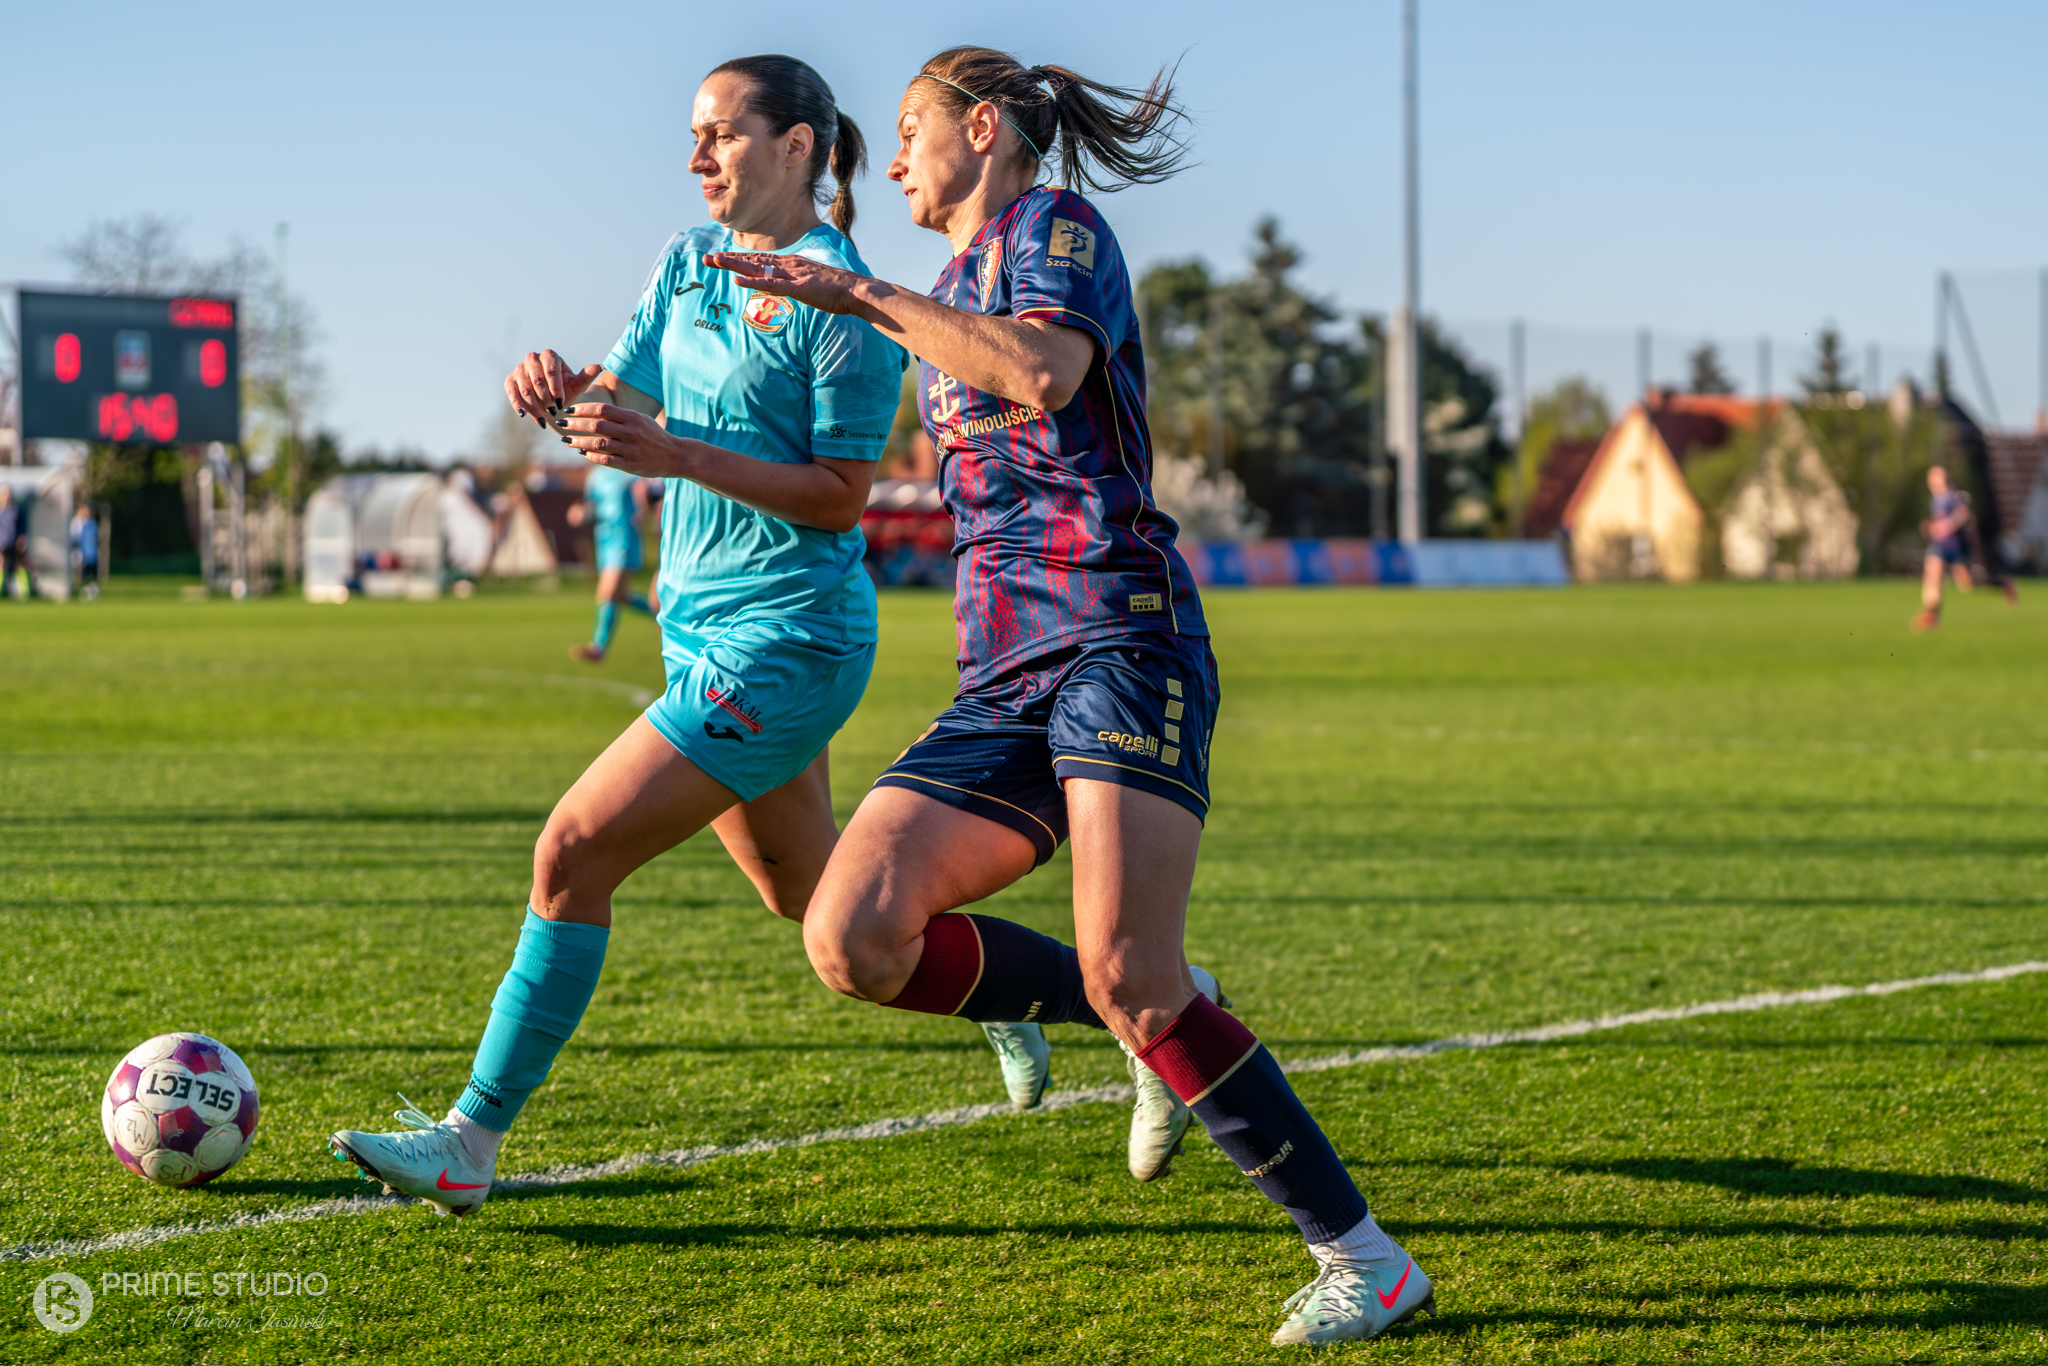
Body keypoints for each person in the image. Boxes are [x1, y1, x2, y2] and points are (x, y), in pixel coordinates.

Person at [710, 46, 1434, 1348]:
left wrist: (856, 290)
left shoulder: (1057, 228)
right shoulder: (936, 291)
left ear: (984, 129)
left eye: (913, 127)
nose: (895, 155)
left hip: (1117, 638)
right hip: (1000, 670)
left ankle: (1365, 1259)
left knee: (1129, 975)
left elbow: (1040, 373)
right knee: (851, 935)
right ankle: (1135, 1006)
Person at [329, 53, 1032, 1217]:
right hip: (697, 631)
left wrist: (676, 454)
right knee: (811, 899)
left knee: (571, 852)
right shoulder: (684, 260)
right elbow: (617, 403)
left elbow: (839, 497)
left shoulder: (848, 304)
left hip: (790, 640)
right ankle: (1024, 993)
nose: (697, 154)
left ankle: (468, 1140)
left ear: (797, 147)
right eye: (695, 134)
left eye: (722, 132)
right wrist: (556, 389)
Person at [566, 462, 657, 661]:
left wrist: (643, 508)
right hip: (604, 538)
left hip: (624, 536)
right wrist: (579, 513)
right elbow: (591, 505)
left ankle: (598, 649)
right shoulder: (595, 475)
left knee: (607, 592)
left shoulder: (628, 468)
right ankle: (663, 616)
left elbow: (643, 492)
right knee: (621, 596)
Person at [1914, 465, 2016, 631]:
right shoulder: (1935, 499)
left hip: (1956, 546)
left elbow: (1963, 513)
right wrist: (1932, 527)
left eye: (1935, 477)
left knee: (1967, 585)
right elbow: (1940, 522)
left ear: (1944, 478)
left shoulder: (1952, 496)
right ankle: (1931, 615)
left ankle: (2002, 583)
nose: (1931, 481)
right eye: (1930, 477)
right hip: (1939, 546)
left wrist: (1947, 526)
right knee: (1932, 576)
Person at [70, 504, 100, 601]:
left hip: (92, 554)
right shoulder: (78, 524)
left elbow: (96, 538)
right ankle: (84, 593)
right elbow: (75, 538)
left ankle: (93, 593)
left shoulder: (92, 524)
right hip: (82, 554)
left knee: (92, 576)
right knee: (83, 576)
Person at [0, 485, 24, 600]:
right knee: (2, 565)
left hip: (13, 543)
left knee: (15, 567)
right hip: (2, 544)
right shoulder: (1, 512)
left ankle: (18, 591)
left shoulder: (16, 511)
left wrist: (21, 539)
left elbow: (21, 528)